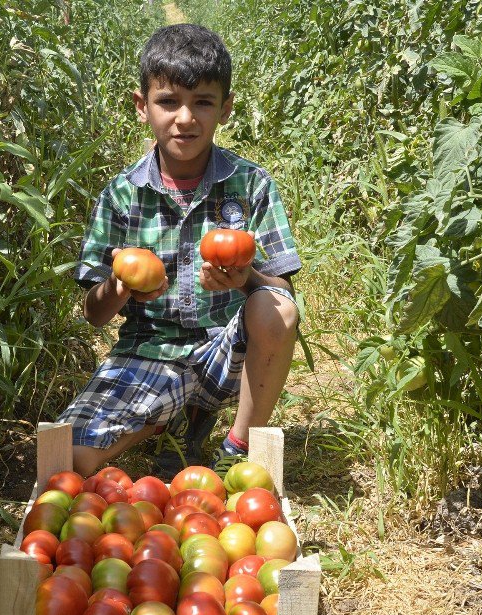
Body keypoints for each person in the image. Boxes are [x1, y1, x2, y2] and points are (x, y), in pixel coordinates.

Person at [58, 23, 301, 479]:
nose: (185, 118)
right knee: (76, 456)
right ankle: (173, 418)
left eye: (203, 102)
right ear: (142, 106)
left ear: (225, 109)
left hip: (227, 352)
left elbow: (281, 291)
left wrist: (246, 278)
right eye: (168, 101)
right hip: (149, 351)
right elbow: (93, 312)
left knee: (278, 308)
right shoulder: (121, 195)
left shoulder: (251, 186)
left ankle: (238, 443)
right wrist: (119, 286)